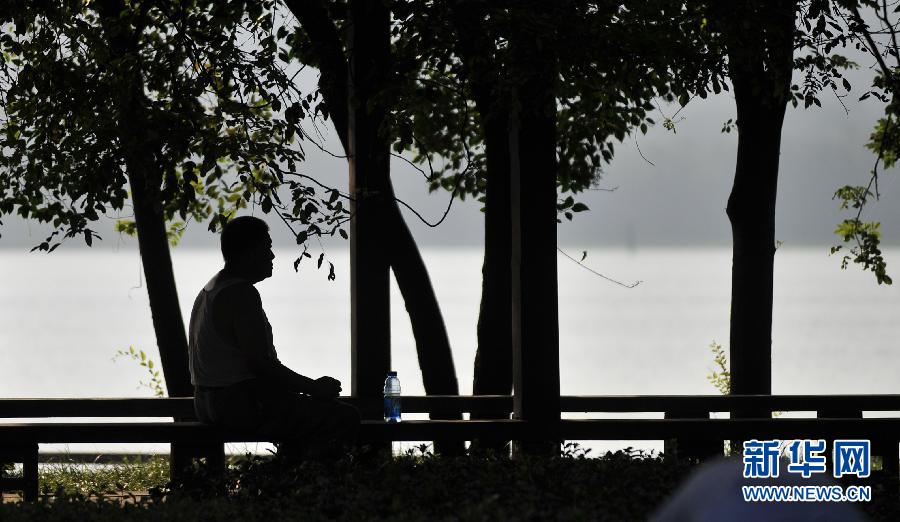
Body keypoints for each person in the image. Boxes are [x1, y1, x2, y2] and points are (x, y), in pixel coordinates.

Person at [188, 215, 359, 458]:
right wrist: (313, 387)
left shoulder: (212, 287)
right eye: (266, 247)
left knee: (300, 415)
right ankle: (312, 488)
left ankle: (287, 484)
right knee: (344, 417)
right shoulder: (241, 293)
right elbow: (259, 363)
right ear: (248, 253)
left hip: (205, 402)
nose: (272, 256)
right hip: (236, 404)